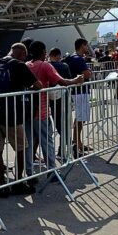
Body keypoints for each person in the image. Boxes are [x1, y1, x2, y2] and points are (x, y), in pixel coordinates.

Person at [0, 43, 41, 197]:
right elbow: (38, 85)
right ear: (22, 53)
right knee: (21, 148)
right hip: (12, 115)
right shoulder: (19, 65)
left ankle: (2, 184)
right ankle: (18, 182)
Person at [27, 42, 83, 173]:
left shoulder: (26, 65)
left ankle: (29, 172)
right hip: (41, 110)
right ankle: (51, 170)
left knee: (28, 143)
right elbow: (62, 81)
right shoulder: (45, 65)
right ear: (43, 52)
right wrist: (77, 79)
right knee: (47, 141)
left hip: (27, 111)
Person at [64, 38, 94, 156]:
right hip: (81, 91)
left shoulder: (70, 57)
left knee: (79, 117)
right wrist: (89, 72)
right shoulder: (79, 59)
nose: (87, 48)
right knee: (81, 117)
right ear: (82, 46)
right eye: (86, 46)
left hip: (75, 91)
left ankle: (78, 141)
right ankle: (77, 143)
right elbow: (87, 74)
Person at [48, 48, 72, 159]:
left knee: (55, 123)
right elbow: (69, 81)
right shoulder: (64, 66)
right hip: (63, 96)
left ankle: (59, 150)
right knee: (64, 124)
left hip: (49, 98)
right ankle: (63, 149)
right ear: (58, 55)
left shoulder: (47, 66)